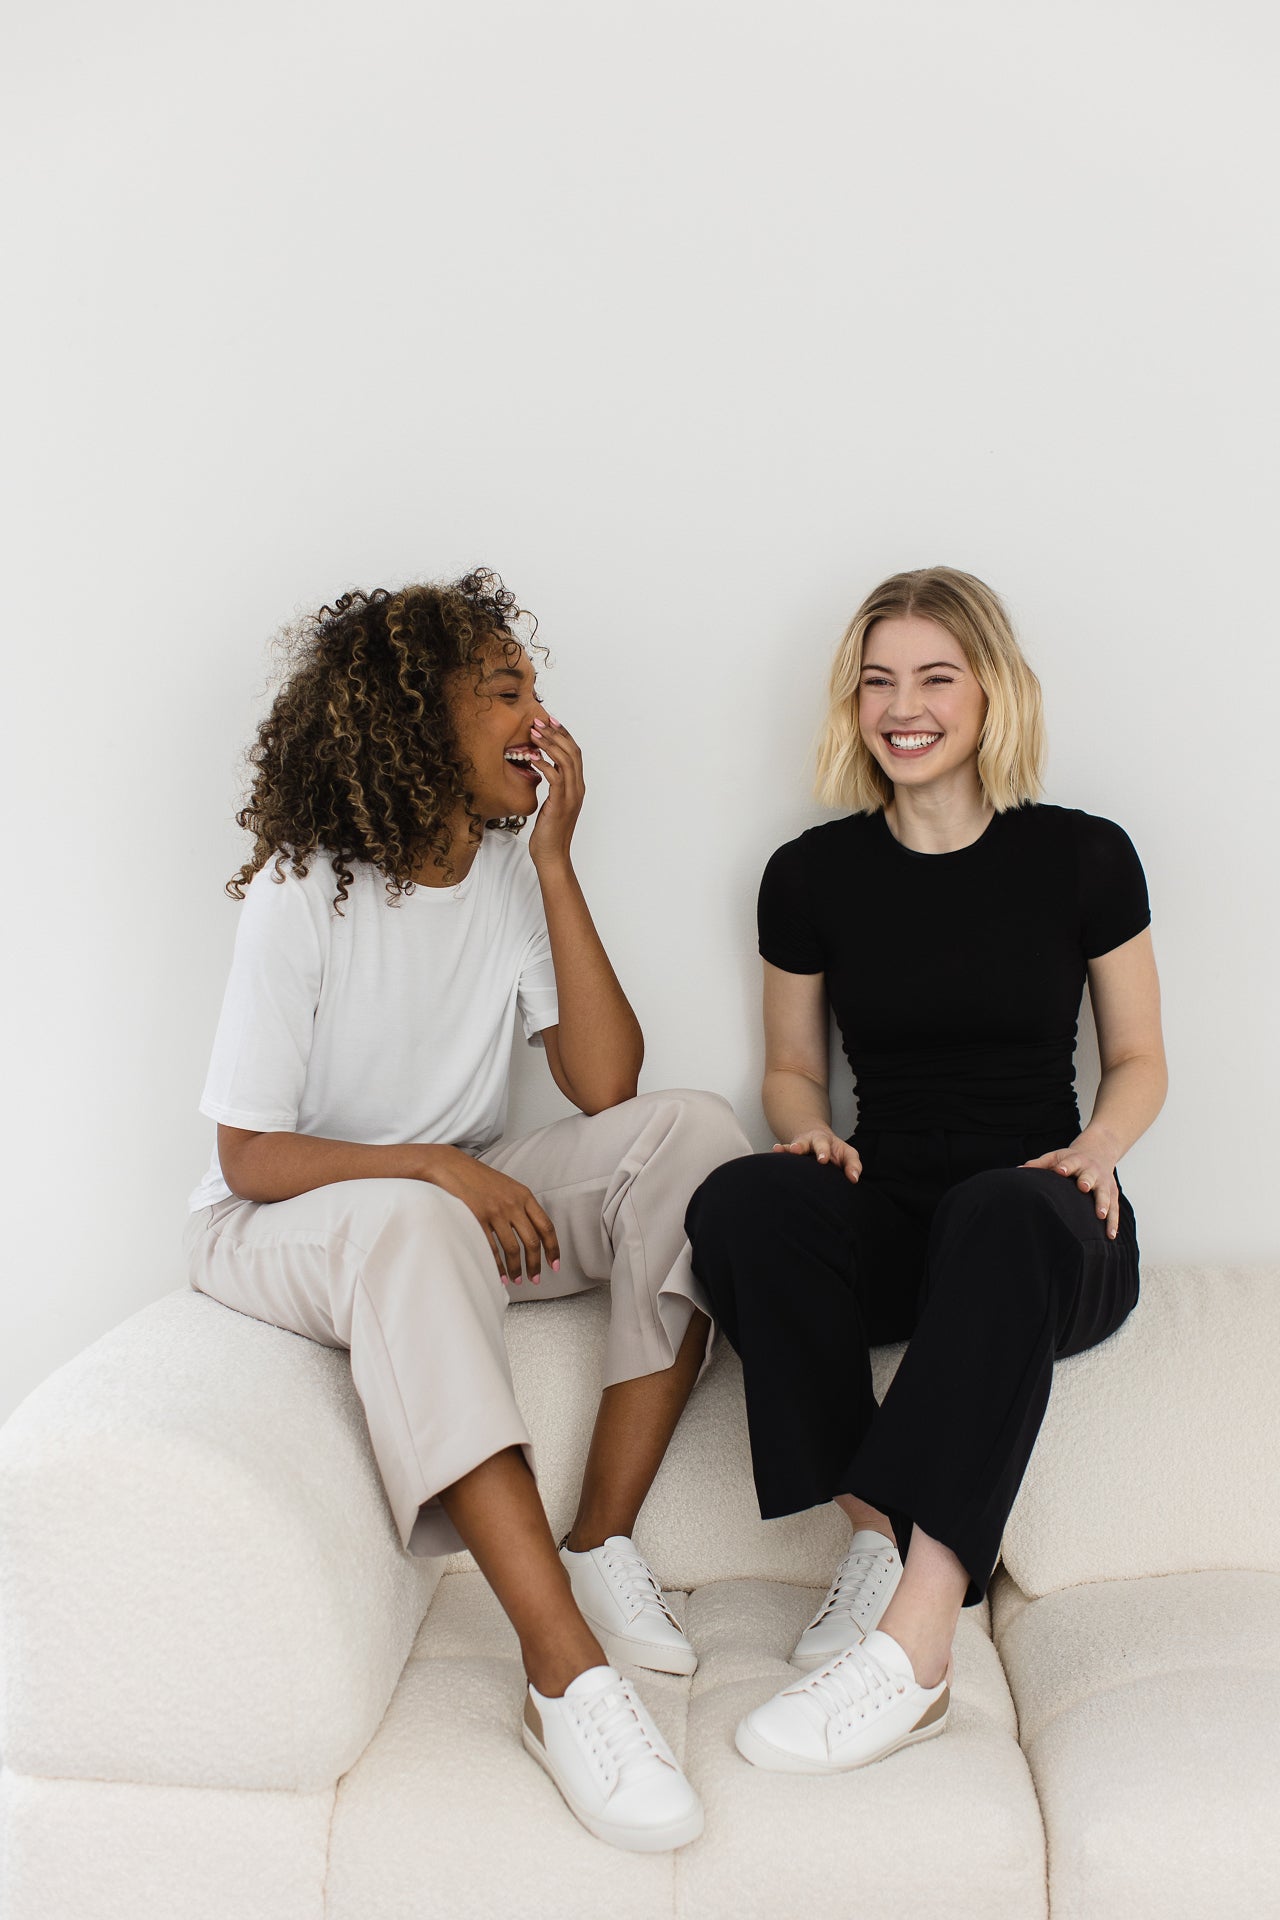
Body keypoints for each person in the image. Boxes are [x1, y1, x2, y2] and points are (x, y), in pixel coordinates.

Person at [183, 571, 750, 1850]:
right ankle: (563, 1675)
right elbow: (246, 1152)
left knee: (699, 1136)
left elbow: (606, 1083)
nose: (539, 717)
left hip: (447, 1208)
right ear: (411, 717)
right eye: (505, 691)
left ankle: (601, 1542)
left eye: (536, 689)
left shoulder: (504, 869)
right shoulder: (302, 889)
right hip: (282, 1219)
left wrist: (553, 864)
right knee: (416, 1215)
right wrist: (436, 1168)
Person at [685, 565, 1166, 1775]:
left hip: (1050, 1215)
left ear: (989, 692)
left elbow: (1141, 1058)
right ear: (853, 707)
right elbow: (791, 1068)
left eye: (934, 677)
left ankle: (914, 1652)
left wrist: (1098, 1149)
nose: (904, 706)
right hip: (897, 1206)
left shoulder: (1085, 858)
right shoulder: (807, 875)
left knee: (1004, 1207)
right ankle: (878, 1532)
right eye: (876, 681)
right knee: (740, 1197)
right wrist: (807, 1130)